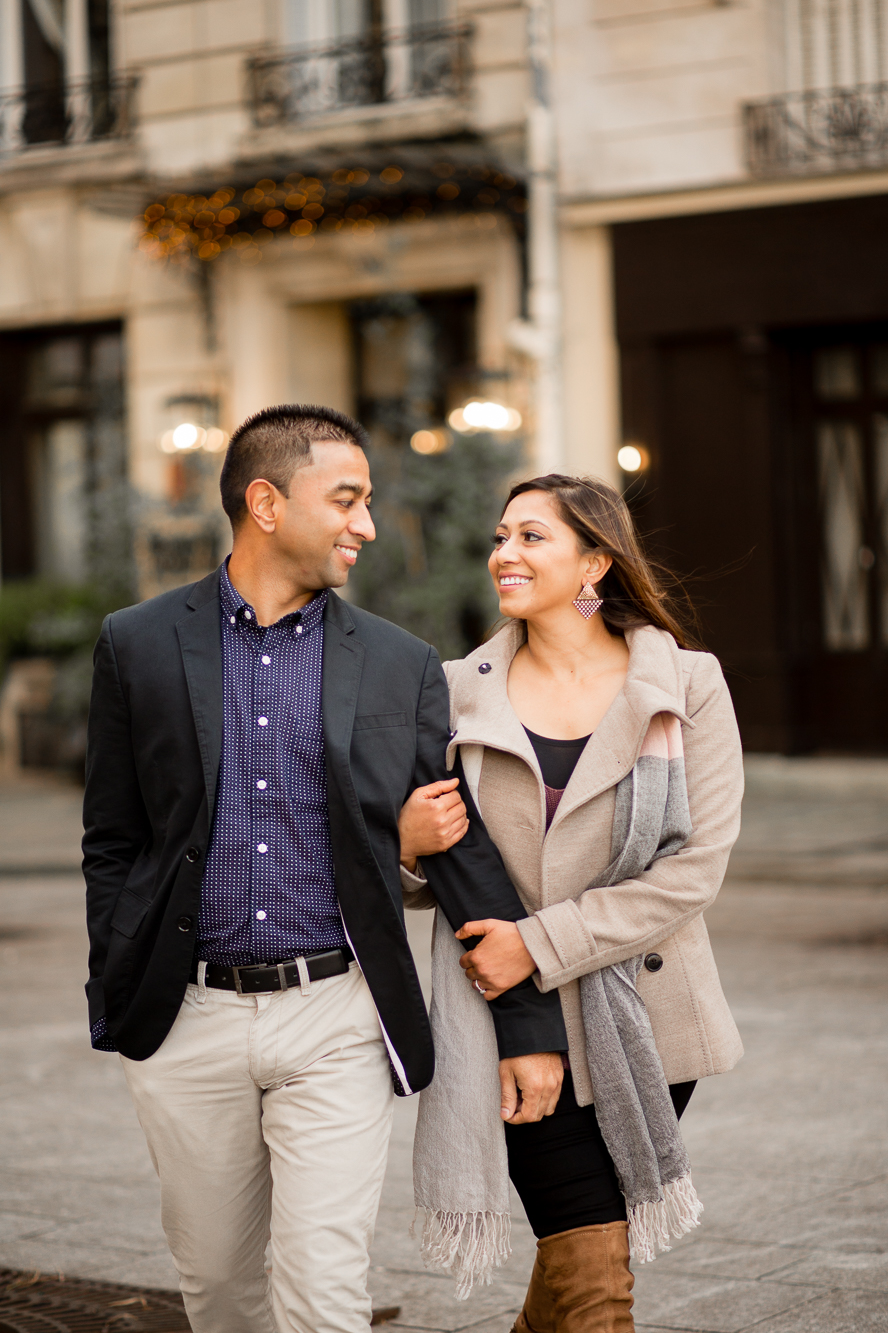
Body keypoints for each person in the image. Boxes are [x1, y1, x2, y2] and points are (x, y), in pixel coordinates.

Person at [82, 406, 569, 1333]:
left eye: (369, 502)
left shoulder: (399, 662)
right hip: (189, 1018)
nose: (368, 525)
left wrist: (527, 1022)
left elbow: (459, 846)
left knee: (325, 1294)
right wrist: (117, 971)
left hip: (337, 1015)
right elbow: (113, 837)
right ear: (266, 502)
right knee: (219, 1290)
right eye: (347, 499)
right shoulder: (136, 643)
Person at [398, 474, 745, 1333]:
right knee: (590, 1264)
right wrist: (405, 845)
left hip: (646, 1017)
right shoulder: (450, 692)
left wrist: (540, 942)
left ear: (596, 561)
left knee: (578, 1261)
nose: (503, 554)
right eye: (500, 536)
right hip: (512, 1024)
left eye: (531, 538)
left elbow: (693, 871)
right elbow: (431, 876)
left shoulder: (686, 684)